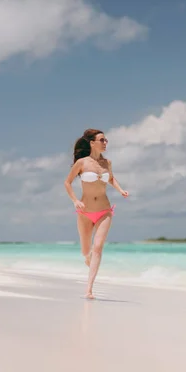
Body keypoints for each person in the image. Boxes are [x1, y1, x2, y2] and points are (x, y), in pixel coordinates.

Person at [64, 128, 128, 299]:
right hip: (84, 212)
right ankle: (87, 257)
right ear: (92, 143)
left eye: (106, 140)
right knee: (86, 252)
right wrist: (75, 201)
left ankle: (89, 289)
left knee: (98, 248)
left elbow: (111, 178)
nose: (105, 143)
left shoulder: (107, 163)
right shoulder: (82, 163)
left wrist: (121, 190)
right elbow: (67, 183)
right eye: (102, 140)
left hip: (104, 210)